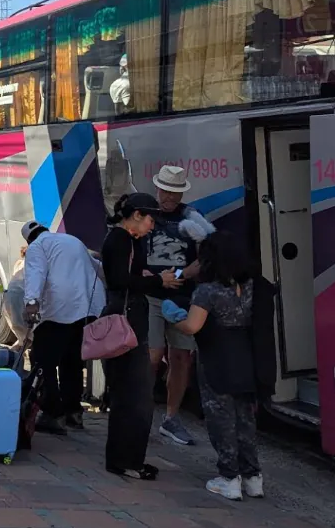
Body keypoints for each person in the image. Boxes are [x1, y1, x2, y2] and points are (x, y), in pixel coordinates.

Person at [161, 232, 267, 501]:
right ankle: (253, 478)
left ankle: (229, 478)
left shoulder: (207, 291)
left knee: (221, 420)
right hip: (246, 358)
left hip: (217, 359)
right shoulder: (252, 285)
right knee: (245, 420)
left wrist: (173, 317)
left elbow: (193, 326)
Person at [102, 193, 181, 480]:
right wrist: (159, 280)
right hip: (126, 321)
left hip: (130, 319)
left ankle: (126, 459)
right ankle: (127, 461)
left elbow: (130, 276)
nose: (152, 226)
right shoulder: (121, 240)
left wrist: (153, 278)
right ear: (135, 215)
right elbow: (121, 280)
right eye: (150, 219)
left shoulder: (129, 241)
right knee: (135, 394)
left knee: (130, 393)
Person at [146, 164, 215, 446]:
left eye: (175, 192)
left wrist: (180, 275)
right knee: (152, 355)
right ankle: (142, 412)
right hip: (151, 293)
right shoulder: (146, 214)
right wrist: (155, 278)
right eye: (166, 190)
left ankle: (171, 418)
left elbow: (206, 257)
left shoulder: (193, 218)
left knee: (181, 357)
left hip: (182, 294)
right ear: (158, 188)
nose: (169, 197)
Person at [21, 220, 105, 434]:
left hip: (58, 310)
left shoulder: (37, 246)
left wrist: (31, 304)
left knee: (42, 361)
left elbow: (35, 274)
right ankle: (73, 413)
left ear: (29, 239)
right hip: (86, 308)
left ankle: (53, 413)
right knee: (72, 362)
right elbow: (97, 267)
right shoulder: (72, 240)